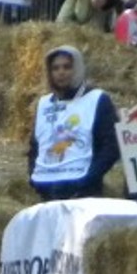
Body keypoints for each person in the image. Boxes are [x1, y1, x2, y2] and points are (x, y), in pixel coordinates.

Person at [28, 44, 119, 202]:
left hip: (83, 189)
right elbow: (36, 146)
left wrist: (90, 178)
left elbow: (111, 146)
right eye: (55, 68)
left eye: (67, 67)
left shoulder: (97, 99)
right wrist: (34, 178)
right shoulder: (44, 104)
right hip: (47, 188)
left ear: (77, 68)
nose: (61, 73)